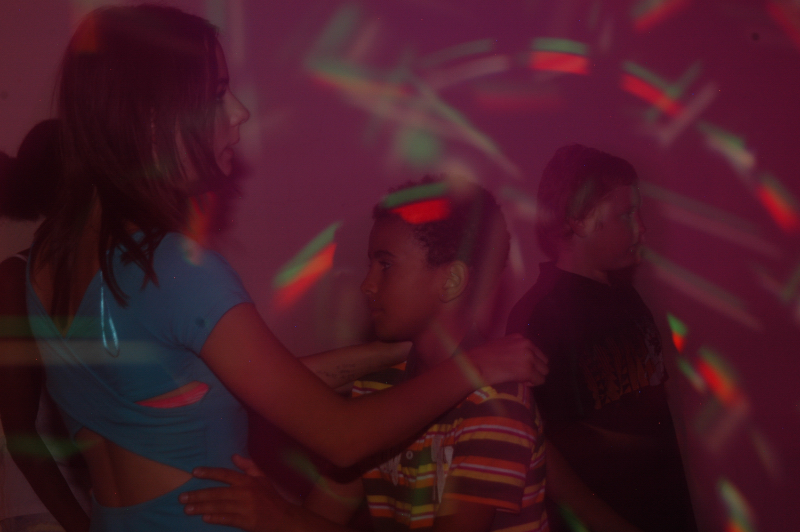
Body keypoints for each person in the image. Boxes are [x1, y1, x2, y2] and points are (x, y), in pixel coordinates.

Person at [25, 6, 543, 532]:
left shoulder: (46, 264)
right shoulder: (177, 268)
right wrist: (475, 366)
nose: (240, 111)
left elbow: (228, 381)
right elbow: (343, 437)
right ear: (155, 116)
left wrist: (403, 353)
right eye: (216, 94)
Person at [180, 177, 550, 532]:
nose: (367, 285)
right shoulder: (380, 385)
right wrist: (271, 513)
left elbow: (299, 523)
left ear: (451, 280)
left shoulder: (495, 400)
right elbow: (323, 513)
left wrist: (282, 519)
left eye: (385, 265)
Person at [506, 144, 696, 531]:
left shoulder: (628, 298)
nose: (641, 228)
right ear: (578, 219)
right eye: (626, 214)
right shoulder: (539, 317)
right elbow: (538, 447)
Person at [0, 120, 91, 532]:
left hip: (109, 500)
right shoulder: (15, 279)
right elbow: (20, 431)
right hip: (43, 506)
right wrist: (81, 524)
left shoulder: (111, 274)